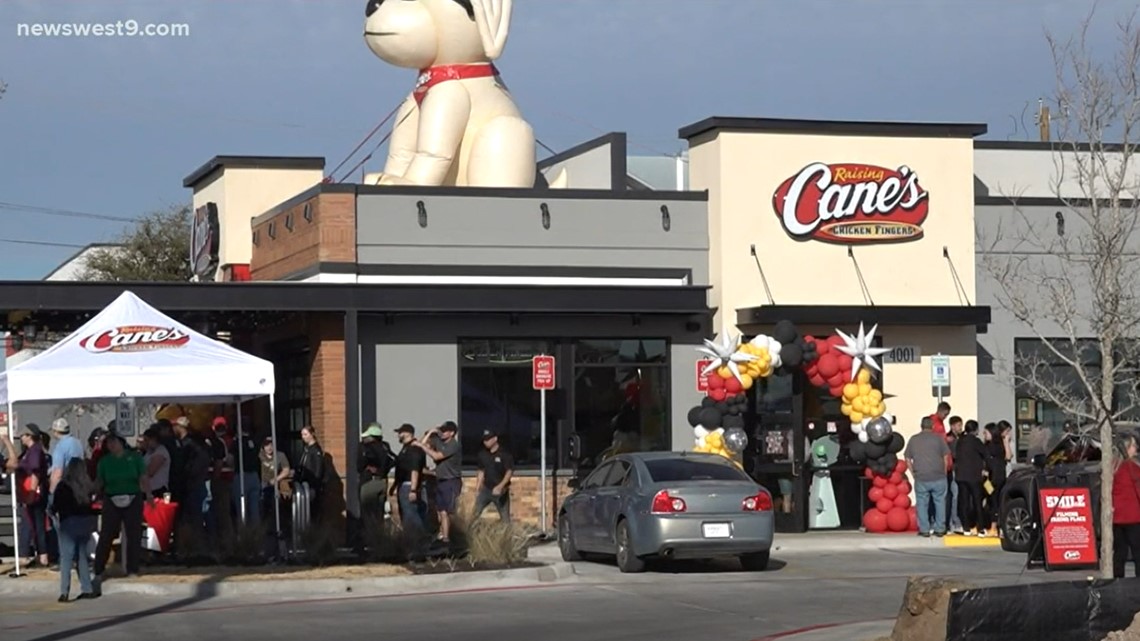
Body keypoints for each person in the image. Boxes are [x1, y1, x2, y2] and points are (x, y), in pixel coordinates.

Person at [93, 432, 149, 581]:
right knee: (106, 535)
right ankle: (99, 568)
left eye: (114, 442)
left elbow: (143, 477)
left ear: (121, 443)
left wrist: (148, 496)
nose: (112, 445)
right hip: (111, 498)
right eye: (109, 443)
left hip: (133, 497)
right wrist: (92, 493)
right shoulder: (104, 461)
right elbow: (100, 481)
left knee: (133, 535)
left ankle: (133, 568)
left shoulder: (134, 457)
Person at [52, 459, 98, 602]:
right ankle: (87, 588)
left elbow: (55, 506)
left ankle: (64, 591)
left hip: (69, 523)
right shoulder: (87, 486)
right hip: (85, 522)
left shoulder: (63, 486)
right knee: (82, 556)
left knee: (66, 558)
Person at [905, 416, 952, 537]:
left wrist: (913, 473)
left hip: (921, 476)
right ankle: (940, 528)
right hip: (938, 475)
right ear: (932, 426)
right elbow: (946, 457)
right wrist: (944, 472)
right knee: (940, 502)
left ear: (921, 426)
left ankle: (924, 529)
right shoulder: (938, 439)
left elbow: (907, 458)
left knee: (922, 503)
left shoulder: (914, 439)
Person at [416, 421, 461, 544]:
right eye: (441, 430)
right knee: (441, 511)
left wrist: (423, 447)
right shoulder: (439, 442)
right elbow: (420, 445)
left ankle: (451, 537)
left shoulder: (453, 445)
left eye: (445, 431)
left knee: (449, 511)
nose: (442, 433)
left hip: (451, 481)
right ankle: (443, 536)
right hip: (440, 480)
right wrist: (430, 432)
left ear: (452, 433)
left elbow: (436, 456)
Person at [16, 425, 51, 567]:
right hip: (27, 491)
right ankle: (41, 555)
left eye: (23, 435)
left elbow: (36, 472)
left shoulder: (35, 451)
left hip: (34, 492)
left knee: (34, 523)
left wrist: (32, 491)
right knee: (35, 523)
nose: (21, 438)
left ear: (29, 436)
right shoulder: (29, 452)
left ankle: (40, 556)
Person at [954, 420, 990, 537]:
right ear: (975, 430)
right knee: (977, 502)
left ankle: (966, 527)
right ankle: (980, 528)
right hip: (974, 476)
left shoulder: (960, 441)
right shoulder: (976, 441)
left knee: (964, 502)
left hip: (961, 476)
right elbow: (985, 454)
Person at [390, 424, 428, 534]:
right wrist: (395, 485)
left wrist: (413, 489)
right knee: (407, 516)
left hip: (409, 486)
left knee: (411, 516)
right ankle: (413, 543)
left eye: (400, 432)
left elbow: (414, 470)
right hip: (403, 485)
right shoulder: (406, 448)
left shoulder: (414, 449)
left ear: (408, 433)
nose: (398, 435)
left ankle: (419, 542)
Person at [473, 429, 513, 523]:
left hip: (500, 490)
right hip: (486, 489)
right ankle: (469, 534)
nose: (486, 442)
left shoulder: (504, 454)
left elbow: (509, 472)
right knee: (475, 514)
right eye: (484, 440)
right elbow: (481, 471)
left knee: (505, 518)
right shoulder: (482, 454)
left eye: (488, 439)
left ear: (495, 439)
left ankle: (507, 536)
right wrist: (478, 488)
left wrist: (500, 486)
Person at [357, 423, 394, 523]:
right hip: (382, 481)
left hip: (369, 482)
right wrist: (383, 471)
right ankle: (379, 536)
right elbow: (394, 460)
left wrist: (370, 468)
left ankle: (369, 537)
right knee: (379, 514)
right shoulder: (385, 446)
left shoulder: (366, 447)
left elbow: (359, 466)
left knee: (367, 515)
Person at [984, 422, 1013, 537]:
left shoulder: (996, 445)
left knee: (995, 501)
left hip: (995, 477)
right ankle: (994, 526)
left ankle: (994, 527)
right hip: (992, 477)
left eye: (986, 433)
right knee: (992, 501)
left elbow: (1008, 456)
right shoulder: (990, 445)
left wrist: (1006, 441)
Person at [296, 426, 327, 523]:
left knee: (312, 512)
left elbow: (318, 470)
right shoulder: (306, 450)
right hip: (304, 485)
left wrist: (314, 485)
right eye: (302, 435)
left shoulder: (315, 451)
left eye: (305, 434)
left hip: (311, 486)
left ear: (312, 434)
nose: (303, 437)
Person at [259, 437, 291, 525]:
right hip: (261, 484)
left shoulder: (280, 455)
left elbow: (286, 470)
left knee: (276, 505)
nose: (269, 447)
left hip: (275, 485)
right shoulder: (259, 455)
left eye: (271, 445)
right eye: (266, 445)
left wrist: (276, 479)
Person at [48, 418, 84, 493]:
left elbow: (58, 472)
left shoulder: (61, 446)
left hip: (66, 487)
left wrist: (52, 491)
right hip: (79, 486)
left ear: (56, 431)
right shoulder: (78, 443)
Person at [945, 416, 965, 534]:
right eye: (958, 425)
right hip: (953, 470)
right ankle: (954, 522)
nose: (960, 428)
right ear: (952, 426)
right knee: (954, 496)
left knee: (958, 496)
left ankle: (956, 521)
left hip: (960, 470)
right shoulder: (949, 439)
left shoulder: (962, 437)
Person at [140, 426, 171, 499]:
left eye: (146, 440)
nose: (145, 443)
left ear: (153, 439)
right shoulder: (148, 453)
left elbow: (150, 471)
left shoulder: (161, 452)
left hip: (158, 491)